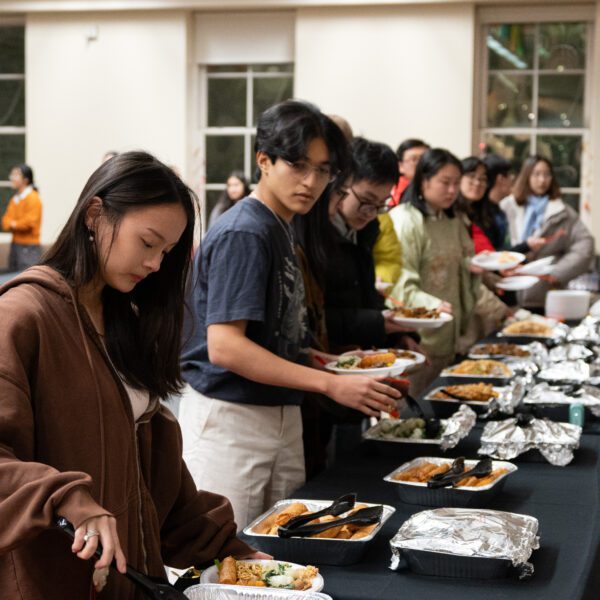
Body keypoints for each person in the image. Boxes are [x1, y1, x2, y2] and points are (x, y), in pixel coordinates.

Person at [0, 152, 261, 599]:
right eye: (147, 242)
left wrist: (226, 550)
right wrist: (67, 497)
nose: (156, 264)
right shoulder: (23, 316)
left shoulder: (127, 315)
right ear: (95, 214)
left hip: (131, 578)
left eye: (167, 252)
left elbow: (154, 467)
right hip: (52, 580)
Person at [179, 101, 401, 529]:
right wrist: (328, 383)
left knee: (282, 548)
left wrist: (321, 362)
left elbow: (272, 336)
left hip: (277, 411)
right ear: (264, 160)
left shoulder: (279, 224)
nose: (312, 181)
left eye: (323, 170)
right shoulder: (246, 229)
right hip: (232, 418)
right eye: (298, 165)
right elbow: (225, 346)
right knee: (222, 564)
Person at [388, 148, 481, 394]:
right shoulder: (406, 221)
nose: (452, 190)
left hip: (451, 336)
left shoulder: (454, 220)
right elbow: (400, 284)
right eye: (445, 182)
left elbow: (464, 264)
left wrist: (473, 268)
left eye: (456, 183)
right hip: (418, 340)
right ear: (424, 180)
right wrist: (432, 304)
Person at [325, 136, 419, 353]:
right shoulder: (317, 233)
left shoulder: (367, 228)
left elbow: (367, 294)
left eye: (381, 204)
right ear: (344, 183)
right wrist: (377, 323)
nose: (370, 212)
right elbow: (316, 316)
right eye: (366, 200)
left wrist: (397, 336)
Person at [501, 155, 595, 308]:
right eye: (536, 174)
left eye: (547, 174)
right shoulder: (507, 207)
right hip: (507, 291)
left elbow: (585, 246)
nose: (542, 180)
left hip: (543, 294)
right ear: (526, 176)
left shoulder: (562, 212)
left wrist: (556, 273)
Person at [2, 164, 42, 272]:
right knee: (12, 279)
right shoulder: (15, 199)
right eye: (12, 174)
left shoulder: (33, 198)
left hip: (29, 248)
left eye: (16, 175)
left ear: (25, 180)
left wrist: (13, 223)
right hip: (15, 245)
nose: (12, 178)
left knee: (26, 280)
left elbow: (29, 224)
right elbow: (5, 222)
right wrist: (14, 223)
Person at [388, 138, 430, 208]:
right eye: (414, 159)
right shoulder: (399, 194)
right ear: (400, 166)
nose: (421, 163)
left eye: (424, 159)